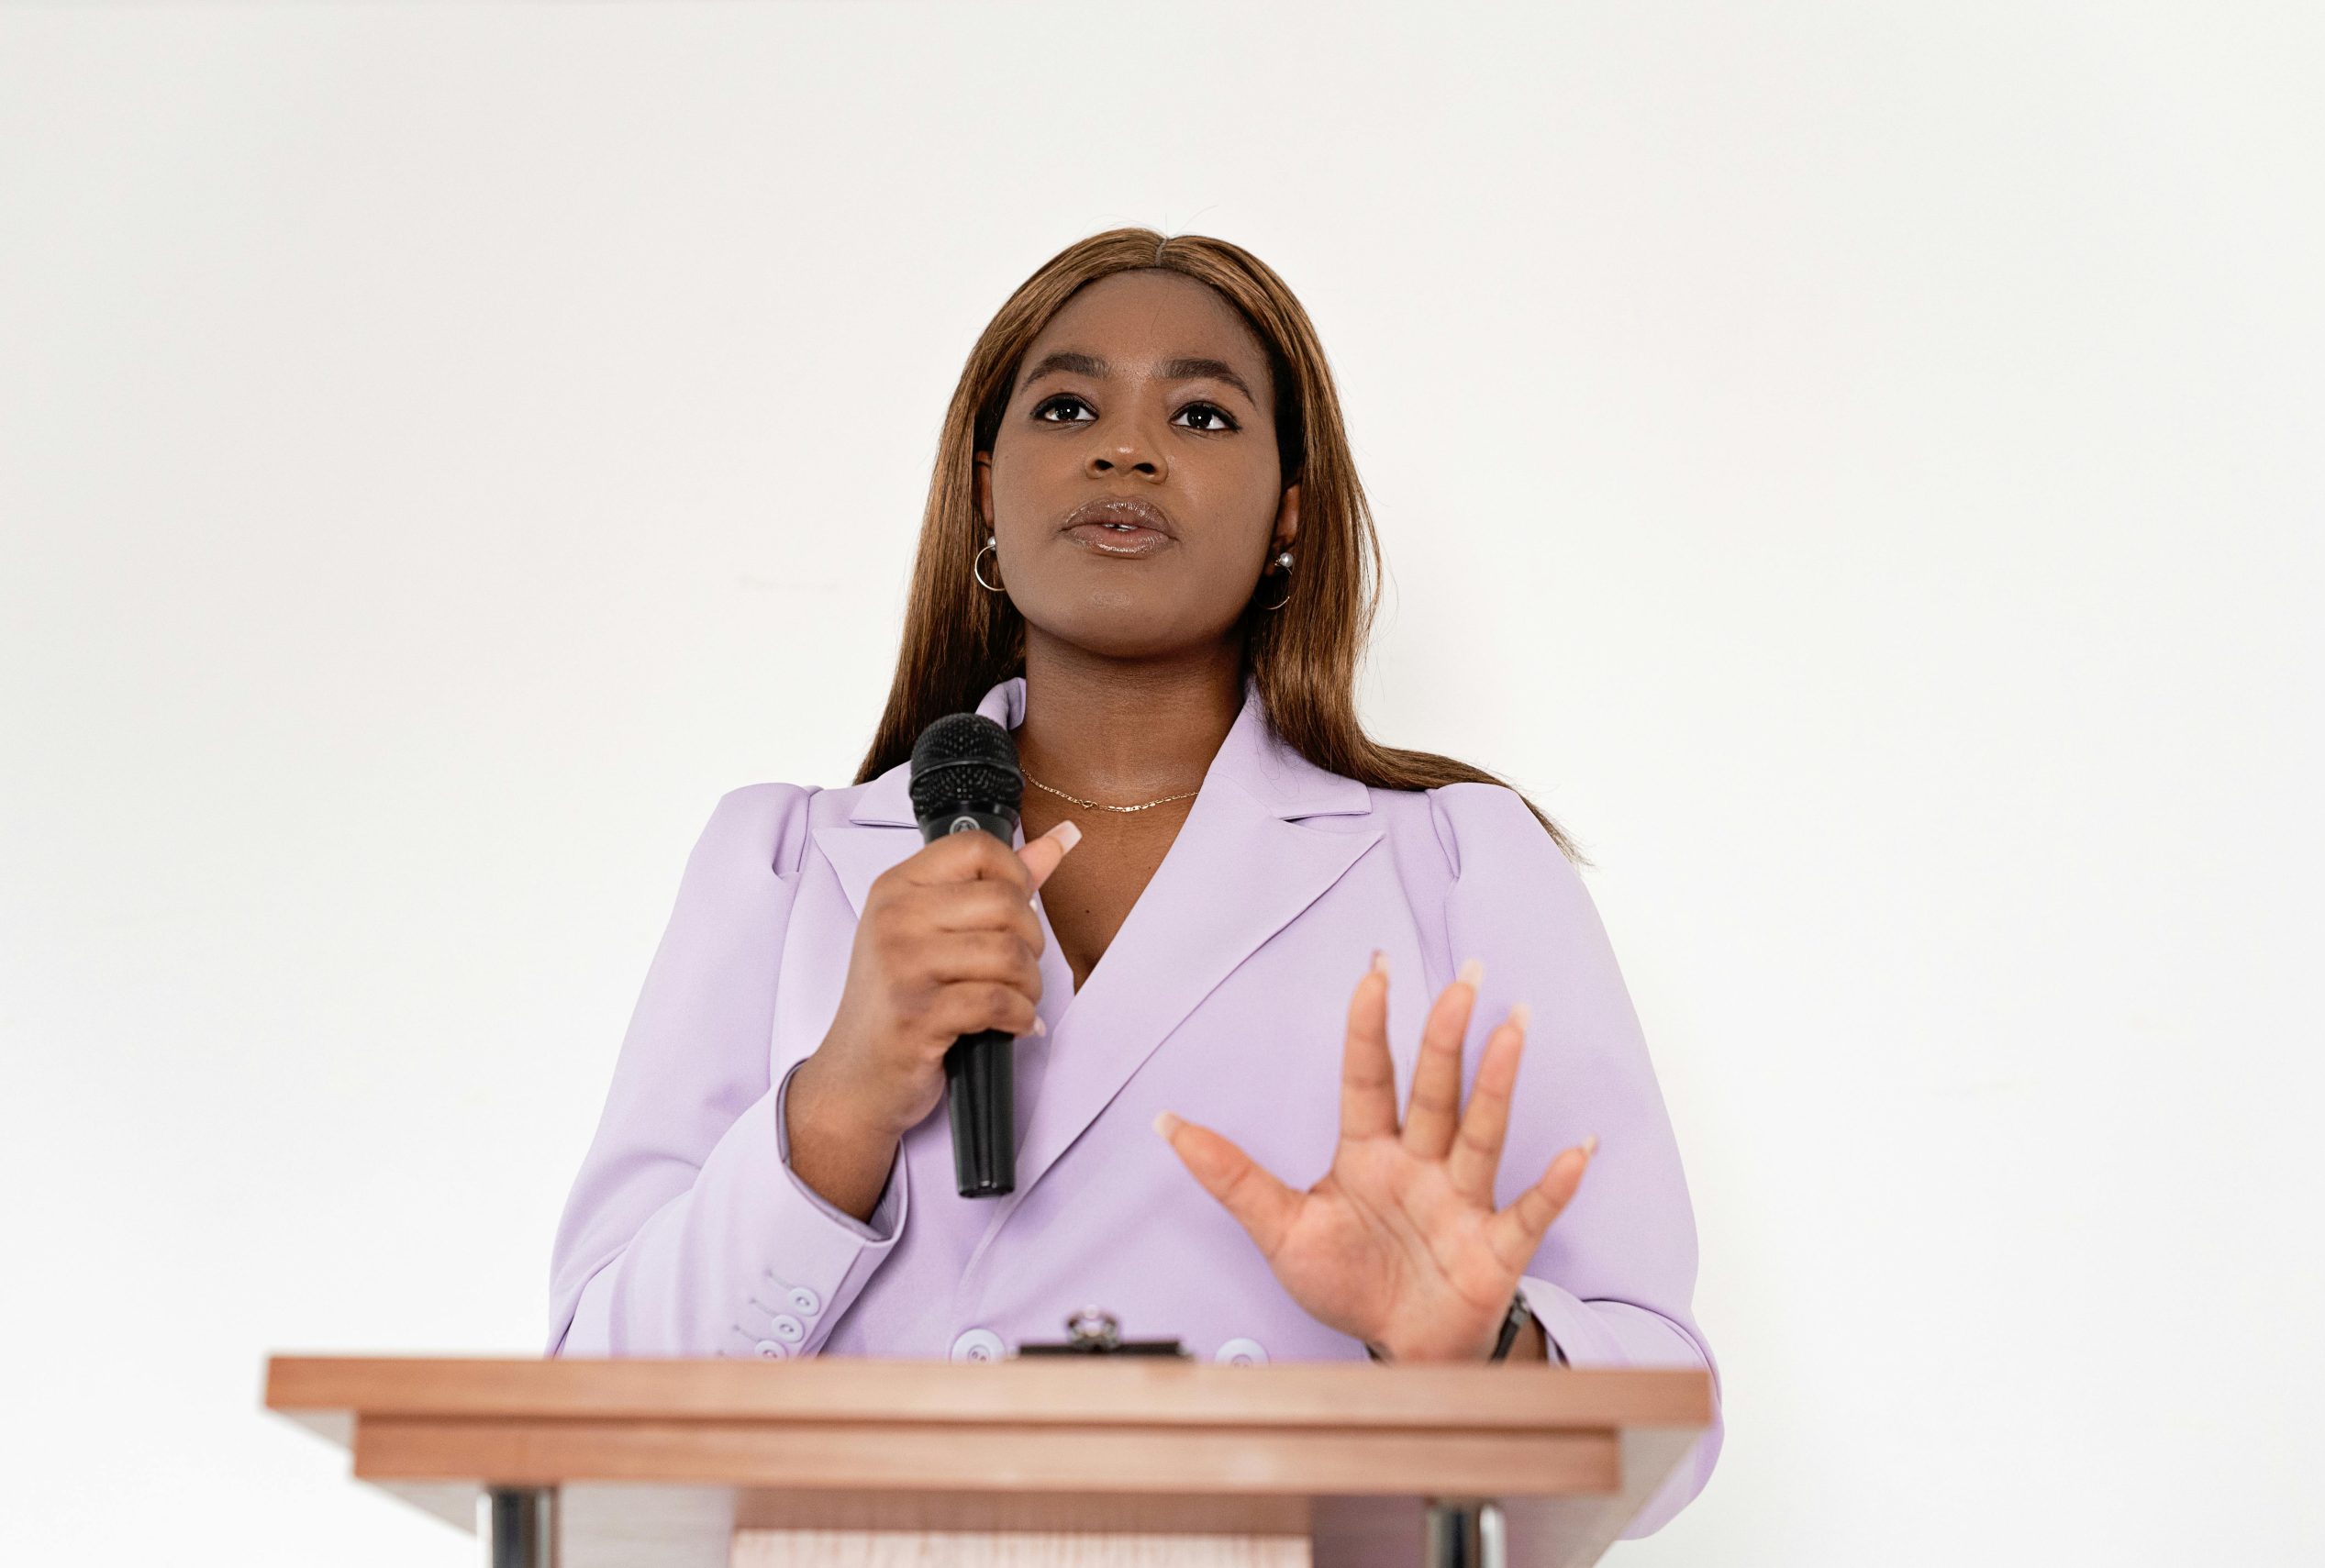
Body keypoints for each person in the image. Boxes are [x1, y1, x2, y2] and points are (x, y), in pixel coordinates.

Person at [545, 229, 1721, 1532]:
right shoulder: (781, 865)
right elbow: (587, 1420)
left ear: (1289, 510)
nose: (1127, 448)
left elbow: (1664, 1411)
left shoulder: (1458, 864)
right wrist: (835, 1110)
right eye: (1067, 404)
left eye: (1203, 411)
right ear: (987, 488)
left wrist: (1475, 1348)